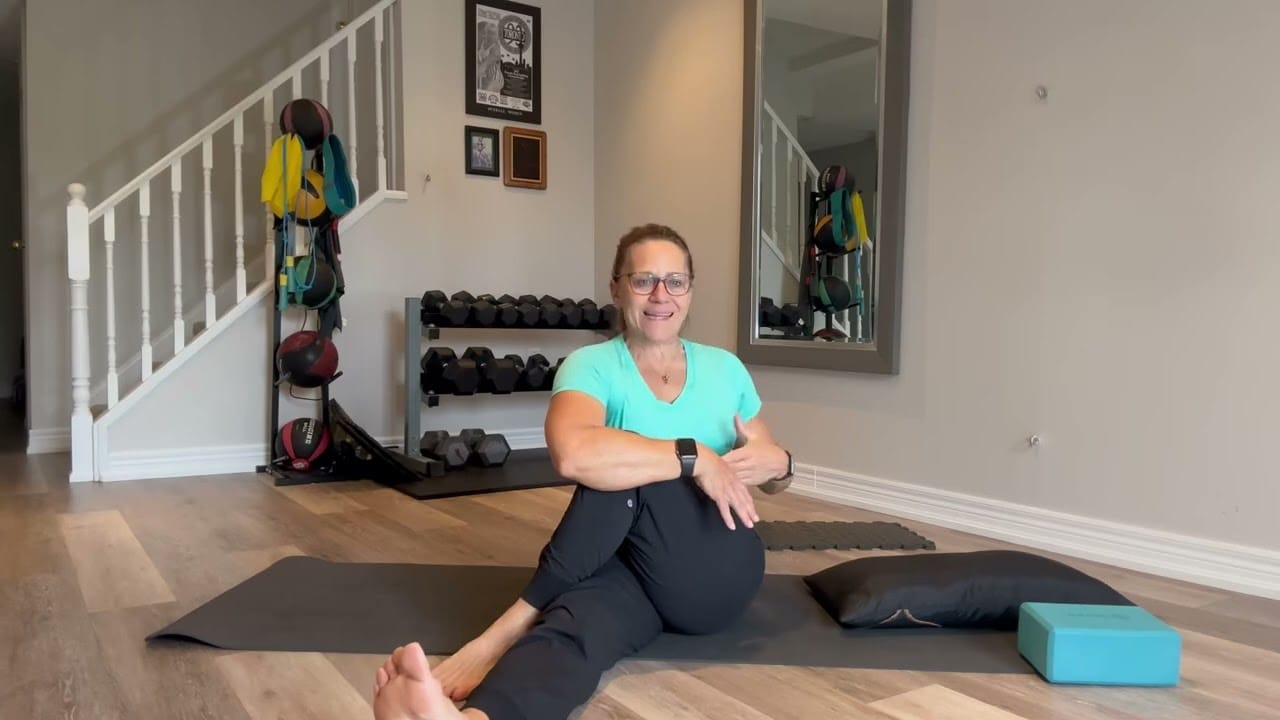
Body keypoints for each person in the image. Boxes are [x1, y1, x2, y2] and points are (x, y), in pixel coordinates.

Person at [373, 223, 794, 720]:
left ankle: (502, 632)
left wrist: (782, 463)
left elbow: (769, 467)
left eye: (675, 281)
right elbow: (572, 455)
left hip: (718, 564)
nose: (661, 295)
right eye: (644, 280)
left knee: (631, 470)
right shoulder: (590, 365)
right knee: (576, 624)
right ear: (616, 287)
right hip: (633, 567)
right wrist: (694, 455)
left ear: (690, 291)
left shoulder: (724, 369)